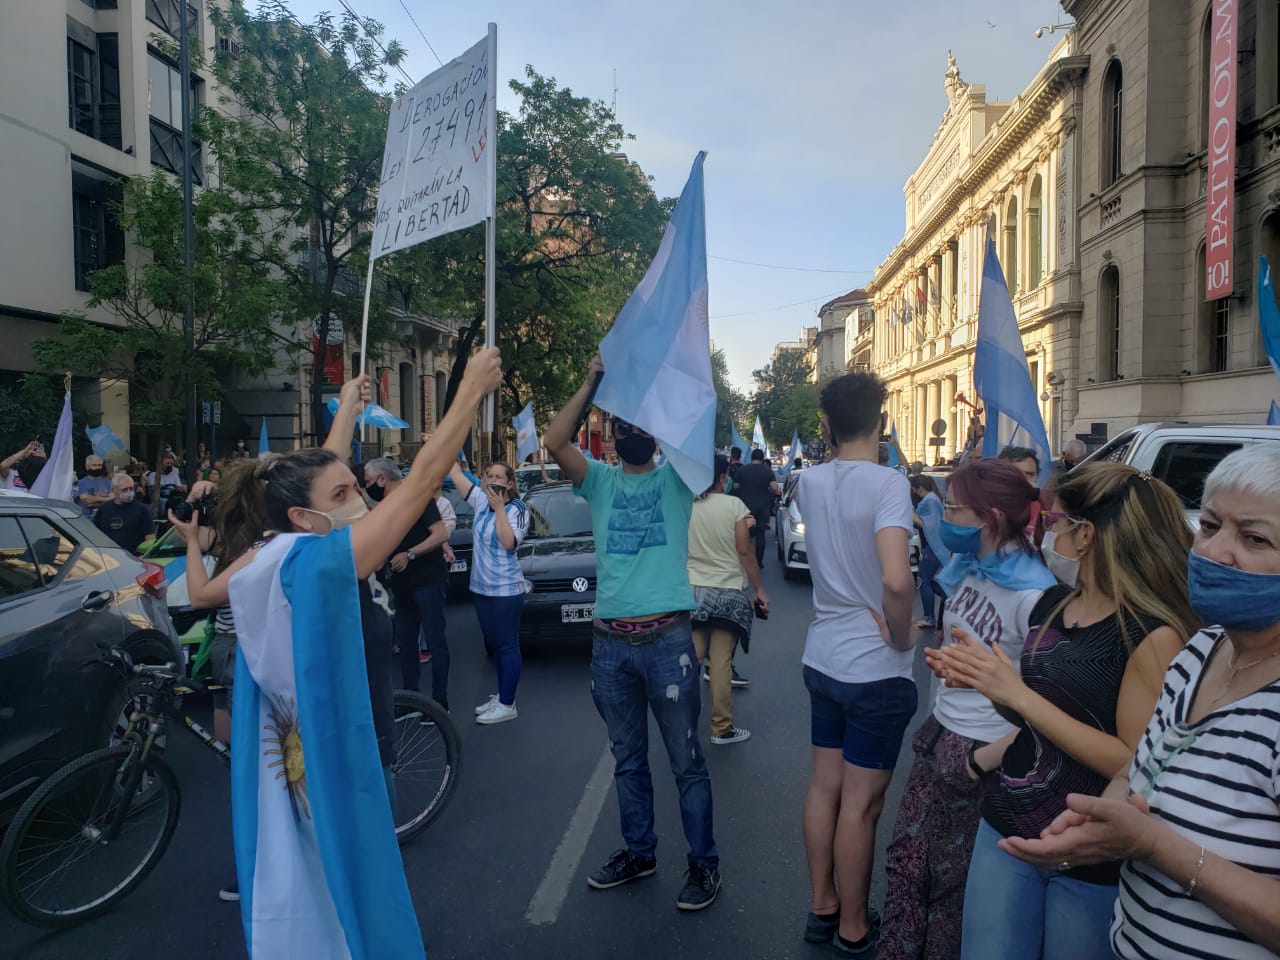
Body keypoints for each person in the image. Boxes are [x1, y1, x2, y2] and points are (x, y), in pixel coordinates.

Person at [175, 350, 499, 949]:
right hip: (350, 758)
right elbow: (424, 479)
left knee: (326, 898)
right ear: (304, 516)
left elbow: (316, 476)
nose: (360, 497)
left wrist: (347, 407)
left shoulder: (270, 557)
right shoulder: (323, 565)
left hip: (308, 764)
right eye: (346, 492)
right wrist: (470, 391)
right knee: (363, 903)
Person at [999, 444, 1280, 960]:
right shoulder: (1202, 650)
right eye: (1212, 525)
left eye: (1255, 538)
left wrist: (1150, 845)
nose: (1216, 552)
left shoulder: (1163, 639)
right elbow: (1143, 765)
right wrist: (1093, 824)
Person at [935, 464, 1200, 960]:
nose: (1045, 532)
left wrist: (1016, 696)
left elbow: (1133, 760)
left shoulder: (1151, 634)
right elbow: (1036, 718)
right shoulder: (1058, 604)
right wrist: (987, 682)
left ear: (1086, 536)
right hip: (1006, 821)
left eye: (1056, 522)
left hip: (1085, 847)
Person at [545, 354, 721, 913]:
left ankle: (703, 866)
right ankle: (639, 852)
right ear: (612, 437)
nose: (636, 433)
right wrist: (593, 378)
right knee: (628, 761)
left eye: (645, 427)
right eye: (625, 426)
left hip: (669, 644)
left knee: (687, 761)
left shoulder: (677, 480)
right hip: (610, 649)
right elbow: (553, 440)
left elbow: (702, 434)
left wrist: (664, 385)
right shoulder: (596, 481)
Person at [876, 459, 1055, 960]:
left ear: (992, 516)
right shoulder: (971, 569)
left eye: (954, 507)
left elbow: (1049, 700)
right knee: (908, 863)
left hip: (985, 753)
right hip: (942, 734)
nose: (945, 515)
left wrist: (985, 759)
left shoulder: (1035, 595)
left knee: (954, 881)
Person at [795, 371, 917, 957]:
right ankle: (852, 927)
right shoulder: (890, 484)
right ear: (884, 423)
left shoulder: (806, 482)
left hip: (822, 656)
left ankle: (822, 906)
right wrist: (900, 636)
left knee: (825, 788)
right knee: (861, 805)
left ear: (825, 426)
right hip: (874, 667)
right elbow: (897, 579)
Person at [687, 454, 769, 746]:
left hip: (692, 592)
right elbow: (745, 552)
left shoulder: (686, 505)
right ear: (724, 477)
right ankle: (721, 728)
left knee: (691, 659)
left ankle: (681, 721)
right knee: (720, 662)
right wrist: (759, 589)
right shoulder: (734, 506)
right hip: (728, 593)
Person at [364, 457, 452, 710]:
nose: (368, 487)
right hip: (401, 584)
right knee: (405, 641)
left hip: (429, 579)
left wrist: (410, 553)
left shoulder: (418, 498)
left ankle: (439, 703)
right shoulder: (383, 506)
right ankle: (412, 700)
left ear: (382, 479)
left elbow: (441, 534)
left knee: (435, 640)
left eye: (369, 482)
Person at [448, 458, 528, 725]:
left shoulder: (517, 509)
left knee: (507, 645)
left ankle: (508, 703)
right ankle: (503, 694)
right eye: (489, 475)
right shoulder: (481, 500)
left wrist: (499, 509)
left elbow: (508, 542)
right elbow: (456, 473)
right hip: (481, 588)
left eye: (499, 476)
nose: (493, 480)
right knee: (494, 644)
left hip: (506, 589)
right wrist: (443, 444)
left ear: (510, 483)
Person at [910, 473, 950, 629]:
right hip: (934, 547)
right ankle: (951, 597)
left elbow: (930, 527)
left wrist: (913, 516)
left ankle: (929, 617)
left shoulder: (929, 502)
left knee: (924, 579)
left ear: (919, 489)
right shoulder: (934, 498)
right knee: (928, 580)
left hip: (933, 547)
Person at [732, 448, 780, 568]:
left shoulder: (743, 470)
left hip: (745, 506)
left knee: (744, 533)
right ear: (762, 458)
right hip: (763, 506)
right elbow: (774, 488)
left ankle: (743, 560)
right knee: (760, 534)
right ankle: (758, 562)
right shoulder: (767, 471)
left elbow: (735, 487)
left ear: (752, 458)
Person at [93, 472, 153, 553]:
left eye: (131, 489)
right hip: (109, 556)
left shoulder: (142, 510)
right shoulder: (103, 509)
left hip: (134, 557)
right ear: (114, 490)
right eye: (125, 489)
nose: (129, 492)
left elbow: (150, 538)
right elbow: (95, 534)